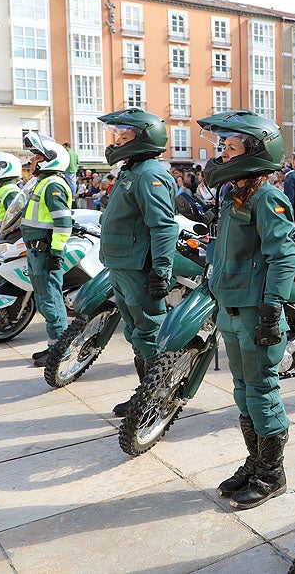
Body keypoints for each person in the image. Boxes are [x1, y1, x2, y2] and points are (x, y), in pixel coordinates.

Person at [198, 109, 295, 511]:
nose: (222, 153)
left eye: (231, 146)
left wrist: (273, 309)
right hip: (231, 308)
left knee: (261, 393)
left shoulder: (267, 196)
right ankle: (256, 462)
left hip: (257, 312)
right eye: (223, 145)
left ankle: (272, 474)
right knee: (243, 393)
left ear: (254, 152)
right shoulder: (232, 193)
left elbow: (284, 256)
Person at [95, 108, 179, 415]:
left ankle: (156, 400)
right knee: (135, 333)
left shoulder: (149, 175)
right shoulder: (131, 172)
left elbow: (163, 227)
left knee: (148, 334)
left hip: (137, 267)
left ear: (143, 139)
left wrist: (160, 271)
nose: (117, 141)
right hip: (120, 264)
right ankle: (145, 395)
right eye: (117, 135)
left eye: (124, 136)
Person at [21, 133, 73, 367]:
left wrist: (56, 253)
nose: (32, 160)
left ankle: (60, 351)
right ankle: (55, 344)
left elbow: (63, 223)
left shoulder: (53, 184)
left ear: (49, 160)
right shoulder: (42, 182)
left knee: (51, 301)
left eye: (37, 156)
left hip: (45, 252)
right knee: (44, 301)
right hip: (36, 252)